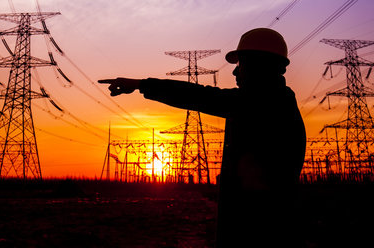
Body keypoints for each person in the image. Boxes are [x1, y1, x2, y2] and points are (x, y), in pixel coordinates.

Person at [99, 28, 306, 247]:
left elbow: (203, 96)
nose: (235, 73)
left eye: (240, 65)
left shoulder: (268, 104)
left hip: (260, 231)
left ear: (260, 65)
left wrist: (142, 84)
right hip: (260, 226)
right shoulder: (270, 103)